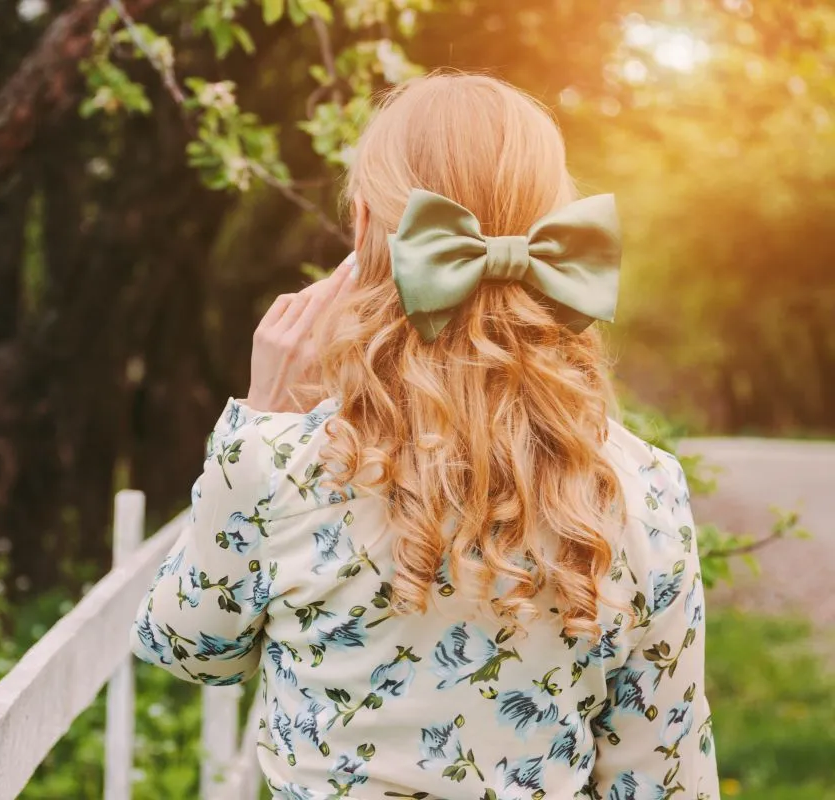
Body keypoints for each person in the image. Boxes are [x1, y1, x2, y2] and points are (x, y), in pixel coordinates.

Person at [131, 72, 719, 800]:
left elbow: (189, 648)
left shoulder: (279, 461)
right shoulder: (643, 487)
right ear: (558, 239)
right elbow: (665, 780)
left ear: (365, 231)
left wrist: (258, 415)